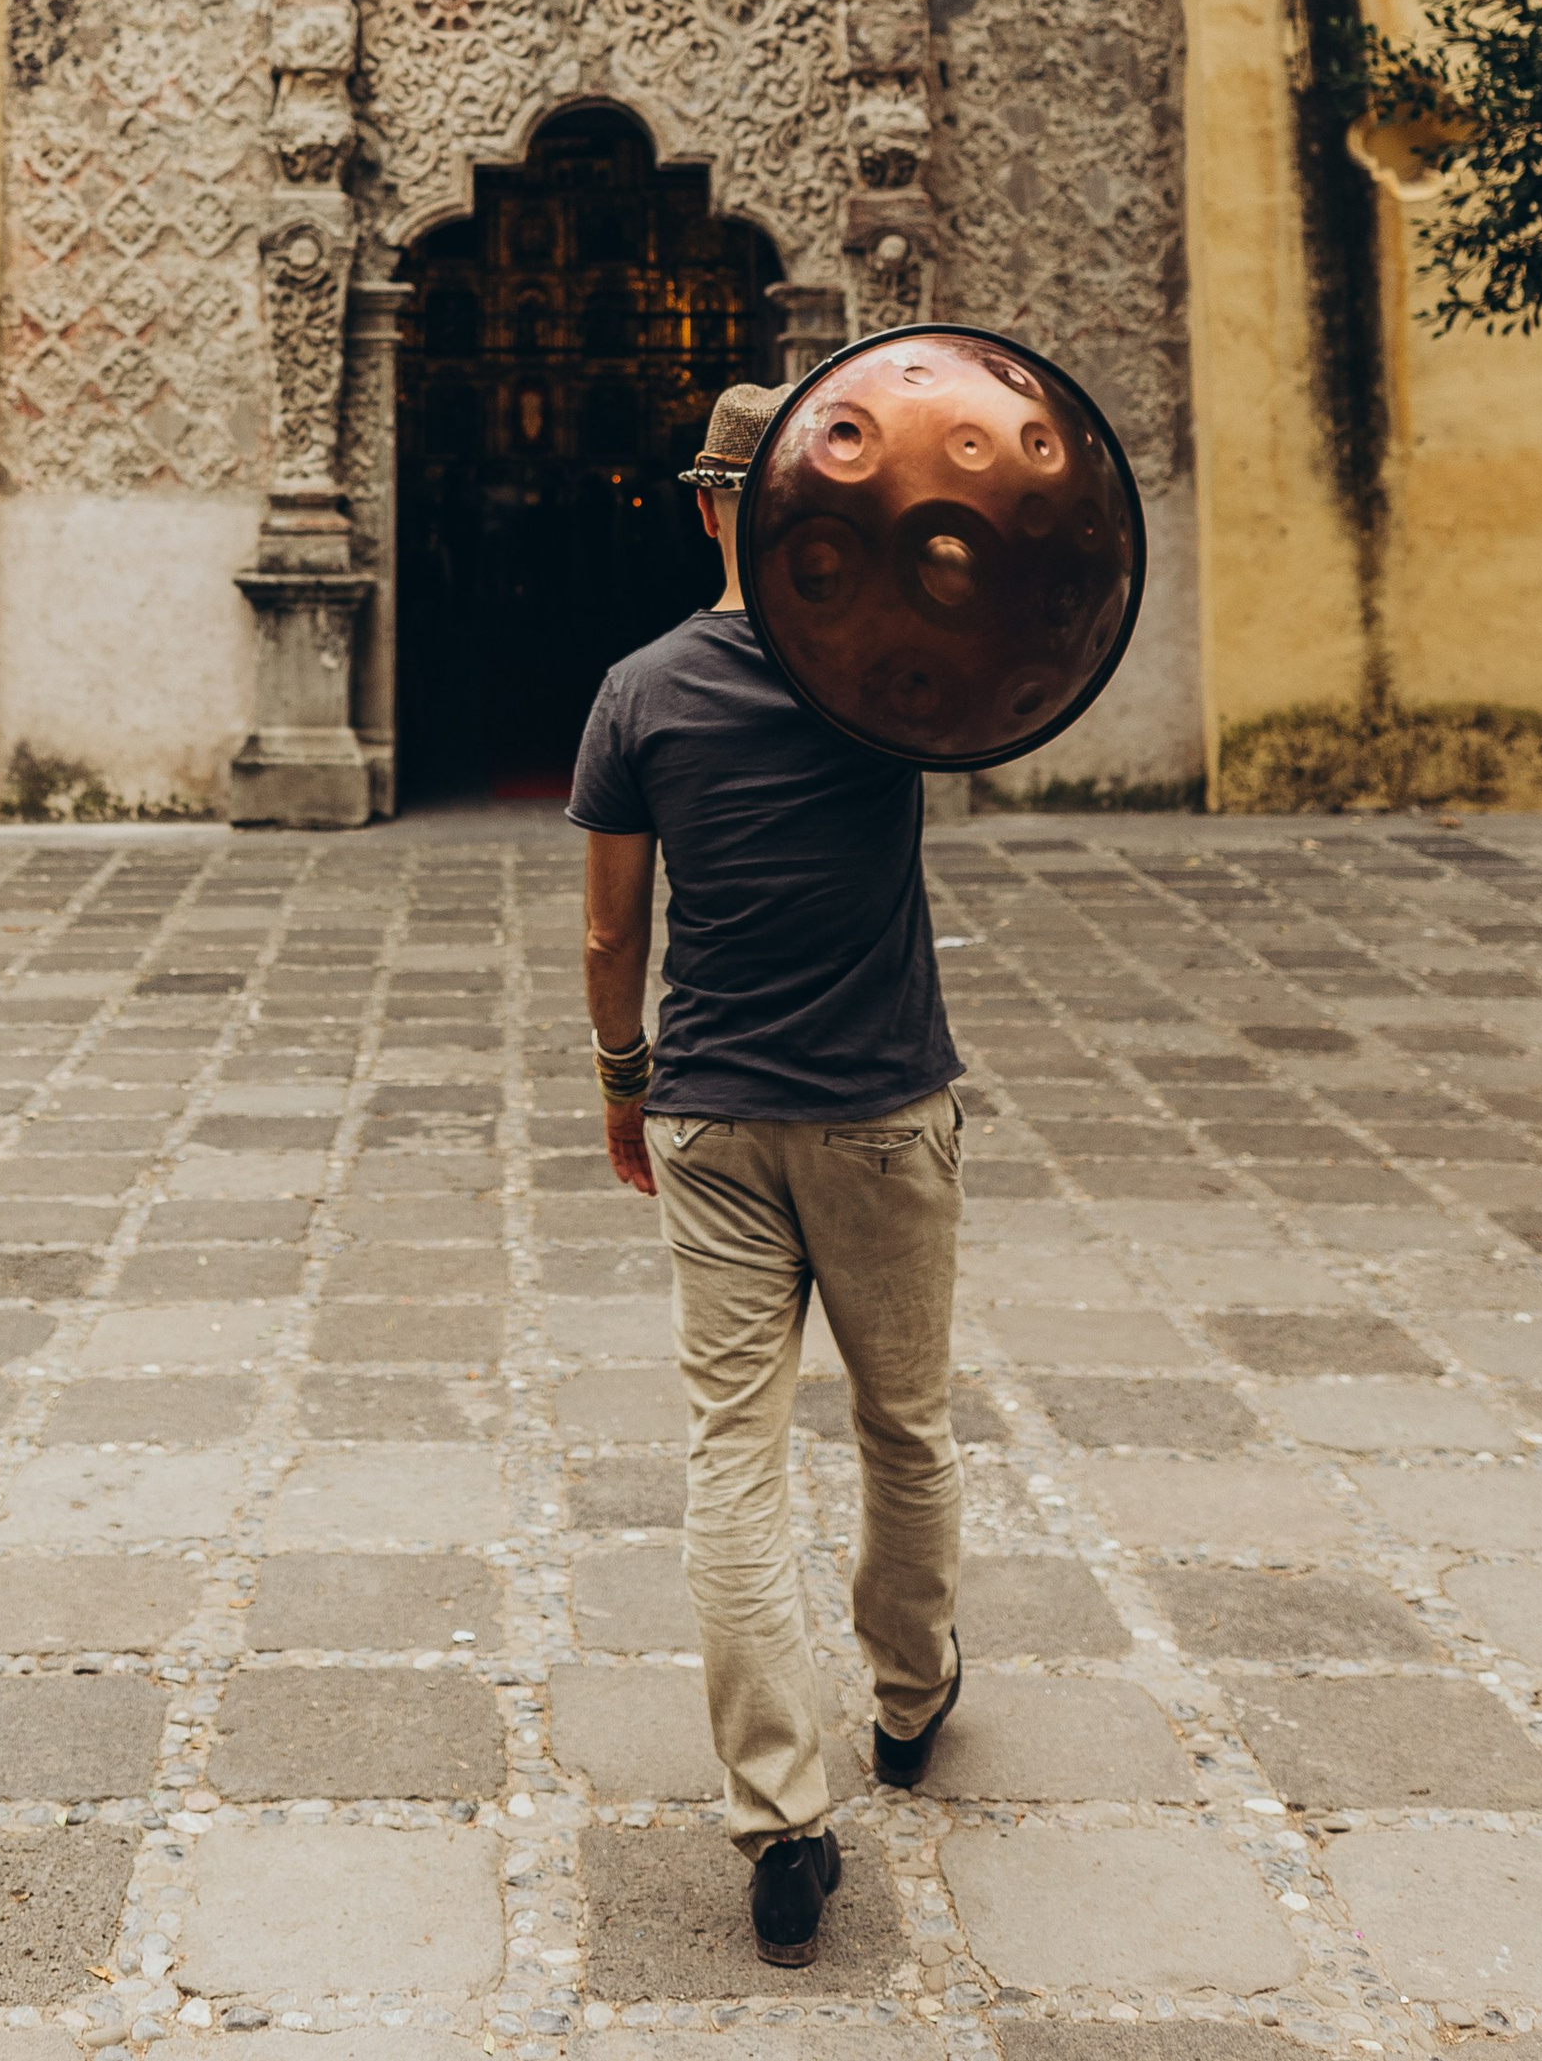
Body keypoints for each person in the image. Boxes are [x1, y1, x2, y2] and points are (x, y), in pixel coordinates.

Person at [567, 379, 963, 1967]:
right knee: (904, 1422)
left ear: (711, 499)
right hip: (879, 1108)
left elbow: (611, 931)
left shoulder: (641, 689)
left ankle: (784, 1812)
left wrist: (620, 1078)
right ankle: (916, 1698)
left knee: (734, 1452)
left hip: (712, 1116)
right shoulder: (892, 678)